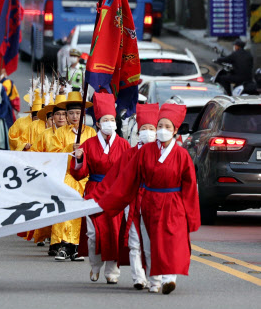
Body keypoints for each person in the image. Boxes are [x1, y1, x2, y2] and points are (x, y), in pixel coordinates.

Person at [97, 103, 200, 295]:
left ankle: (169, 278)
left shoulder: (182, 155)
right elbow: (128, 179)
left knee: (171, 241)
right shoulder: (145, 151)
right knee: (150, 243)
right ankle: (154, 282)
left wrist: (190, 215)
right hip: (149, 201)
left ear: (176, 130)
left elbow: (190, 187)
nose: (162, 130)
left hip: (173, 203)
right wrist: (108, 201)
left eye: (167, 127)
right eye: (160, 126)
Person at [70, 92, 129, 284]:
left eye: (112, 119)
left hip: (115, 192)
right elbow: (79, 173)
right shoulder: (88, 144)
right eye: (105, 120)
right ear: (98, 123)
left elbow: (129, 171)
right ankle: (95, 266)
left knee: (114, 232)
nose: (110, 123)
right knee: (93, 233)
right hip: (94, 190)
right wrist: (79, 158)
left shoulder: (123, 144)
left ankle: (112, 272)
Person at [111, 103, 159, 290]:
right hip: (132, 201)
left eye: (151, 129)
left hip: (154, 201)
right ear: (138, 132)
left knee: (152, 242)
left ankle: (152, 276)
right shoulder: (129, 154)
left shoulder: (163, 154)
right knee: (134, 242)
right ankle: (138, 277)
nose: (148, 132)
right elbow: (118, 180)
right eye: (144, 129)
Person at [45, 93, 86, 261]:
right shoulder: (60, 133)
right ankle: (63, 244)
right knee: (64, 211)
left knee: (80, 213)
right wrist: (70, 147)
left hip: (84, 178)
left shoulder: (90, 132)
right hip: (66, 176)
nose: (74, 116)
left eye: (78, 113)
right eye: (71, 113)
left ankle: (76, 246)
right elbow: (53, 153)